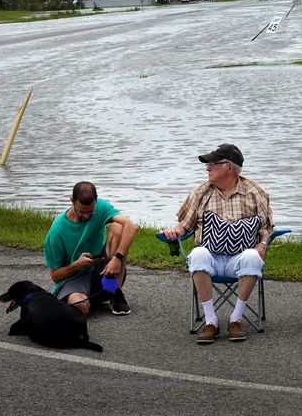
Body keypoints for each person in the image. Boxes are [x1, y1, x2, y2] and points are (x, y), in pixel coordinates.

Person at [161, 144, 273, 344]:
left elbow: (267, 228)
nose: (207, 168)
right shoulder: (200, 193)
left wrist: (262, 245)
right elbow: (183, 226)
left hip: (240, 259)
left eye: (212, 164)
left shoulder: (255, 192)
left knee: (252, 256)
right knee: (197, 254)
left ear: (229, 167)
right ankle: (210, 321)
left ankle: (236, 319)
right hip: (210, 259)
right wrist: (173, 231)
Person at [44, 181, 139, 317]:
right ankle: (87, 299)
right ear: (72, 201)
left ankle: (116, 292)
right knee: (81, 306)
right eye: (82, 212)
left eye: (90, 212)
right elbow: (55, 276)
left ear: (95, 200)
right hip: (73, 280)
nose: (87, 216)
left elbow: (131, 226)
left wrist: (117, 258)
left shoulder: (100, 206)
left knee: (119, 226)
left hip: (104, 273)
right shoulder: (57, 231)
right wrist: (77, 265)